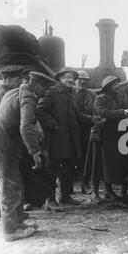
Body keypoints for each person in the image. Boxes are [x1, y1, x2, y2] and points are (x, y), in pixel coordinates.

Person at [0, 72, 56, 241]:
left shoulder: (15, 91)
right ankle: (10, 230)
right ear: (36, 85)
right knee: (11, 185)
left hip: (0, 140)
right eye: (44, 87)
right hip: (3, 144)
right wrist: (35, 151)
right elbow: (26, 126)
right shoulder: (28, 97)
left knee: (17, 183)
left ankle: (18, 222)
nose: (46, 91)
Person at [36, 67, 101, 211]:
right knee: (52, 170)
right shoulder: (52, 93)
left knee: (68, 169)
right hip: (56, 140)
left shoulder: (71, 95)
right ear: (60, 78)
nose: (70, 79)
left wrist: (93, 119)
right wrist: (53, 125)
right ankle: (50, 200)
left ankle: (65, 197)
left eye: (72, 77)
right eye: (67, 77)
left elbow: (79, 116)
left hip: (71, 140)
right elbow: (40, 111)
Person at [94, 76, 128, 205]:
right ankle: (108, 190)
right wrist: (123, 112)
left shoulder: (118, 98)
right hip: (106, 136)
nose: (117, 87)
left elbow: (123, 111)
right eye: (115, 85)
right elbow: (104, 113)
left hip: (119, 135)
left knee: (119, 163)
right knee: (106, 164)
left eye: (118, 85)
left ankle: (118, 192)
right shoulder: (100, 99)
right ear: (107, 87)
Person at [73, 70, 97, 193]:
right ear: (75, 81)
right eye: (80, 80)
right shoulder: (71, 94)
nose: (83, 82)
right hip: (74, 131)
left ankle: (85, 183)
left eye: (85, 80)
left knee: (86, 159)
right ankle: (68, 188)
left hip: (88, 131)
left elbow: (96, 110)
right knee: (72, 159)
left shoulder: (92, 94)